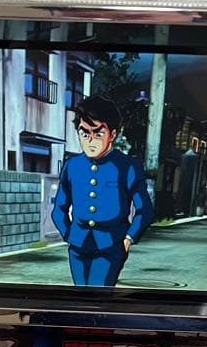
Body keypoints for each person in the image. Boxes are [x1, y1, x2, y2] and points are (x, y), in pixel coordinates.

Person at [51, 95, 154, 287]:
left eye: (98, 134)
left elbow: (145, 209)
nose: (90, 141)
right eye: (84, 134)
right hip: (77, 246)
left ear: (112, 134)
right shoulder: (72, 166)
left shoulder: (127, 166)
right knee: (81, 294)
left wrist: (128, 238)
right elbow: (59, 208)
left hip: (111, 246)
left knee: (98, 296)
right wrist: (69, 234)